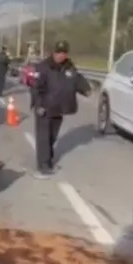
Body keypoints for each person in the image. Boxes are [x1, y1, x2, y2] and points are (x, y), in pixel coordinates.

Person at [30, 40, 92, 178]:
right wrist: (39, 105)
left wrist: (86, 89)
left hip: (59, 107)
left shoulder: (69, 67)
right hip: (44, 108)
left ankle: (48, 162)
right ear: (53, 52)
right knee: (43, 137)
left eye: (63, 53)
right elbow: (36, 88)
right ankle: (43, 167)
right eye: (58, 52)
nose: (60, 55)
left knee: (52, 137)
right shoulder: (43, 67)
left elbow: (77, 79)